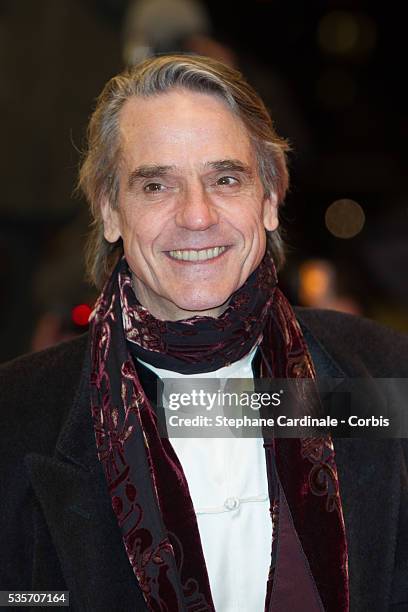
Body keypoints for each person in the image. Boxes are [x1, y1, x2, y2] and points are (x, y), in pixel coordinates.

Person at [1, 54, 407, 612]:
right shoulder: (16, 414)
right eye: (156, 186)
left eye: (225, 178)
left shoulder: (386, 379)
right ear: (110, 211)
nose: (197, 215)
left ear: (268, 199)